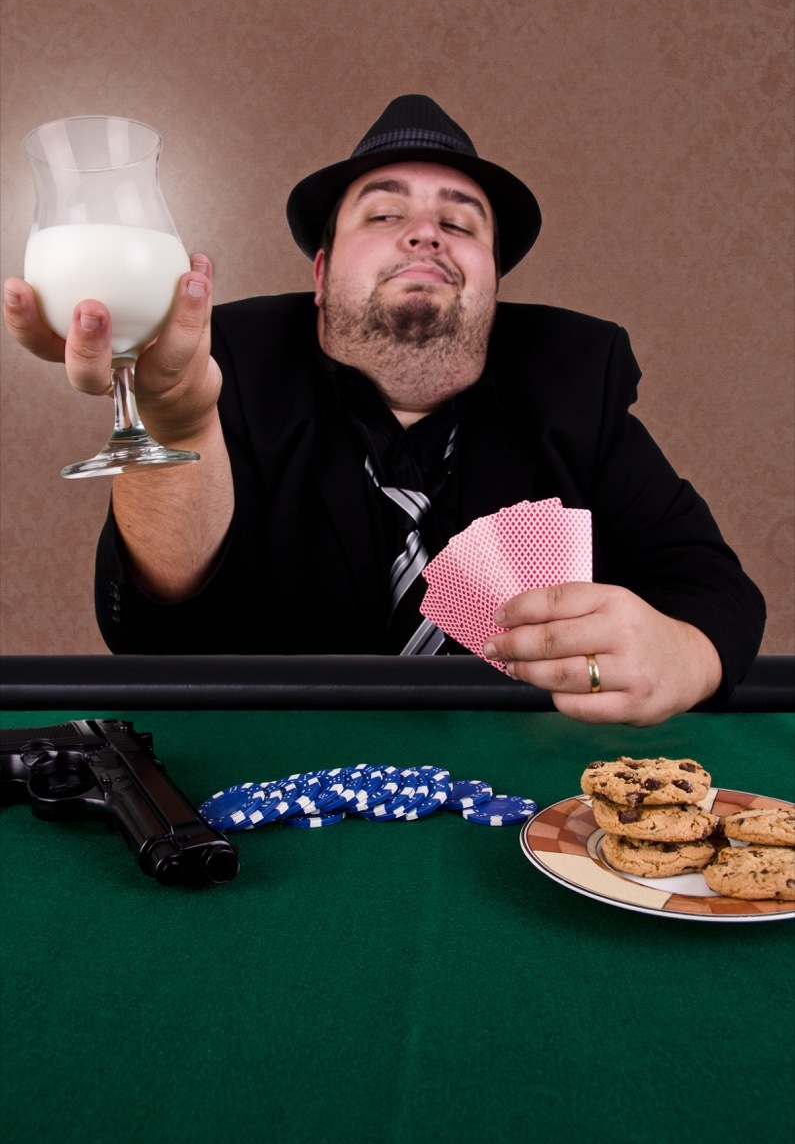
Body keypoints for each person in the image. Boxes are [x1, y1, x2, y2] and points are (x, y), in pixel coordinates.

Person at [3, 95, 765, 724]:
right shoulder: (220, 363)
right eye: (381, 215)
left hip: (516, 794)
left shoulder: (574, 383)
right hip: (274, 787)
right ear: (323, 269)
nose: (425, 230)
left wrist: (685, 652)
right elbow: (156, 633)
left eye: (461, 223)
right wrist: (175, 420)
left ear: (492, 278)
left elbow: (708, 584)